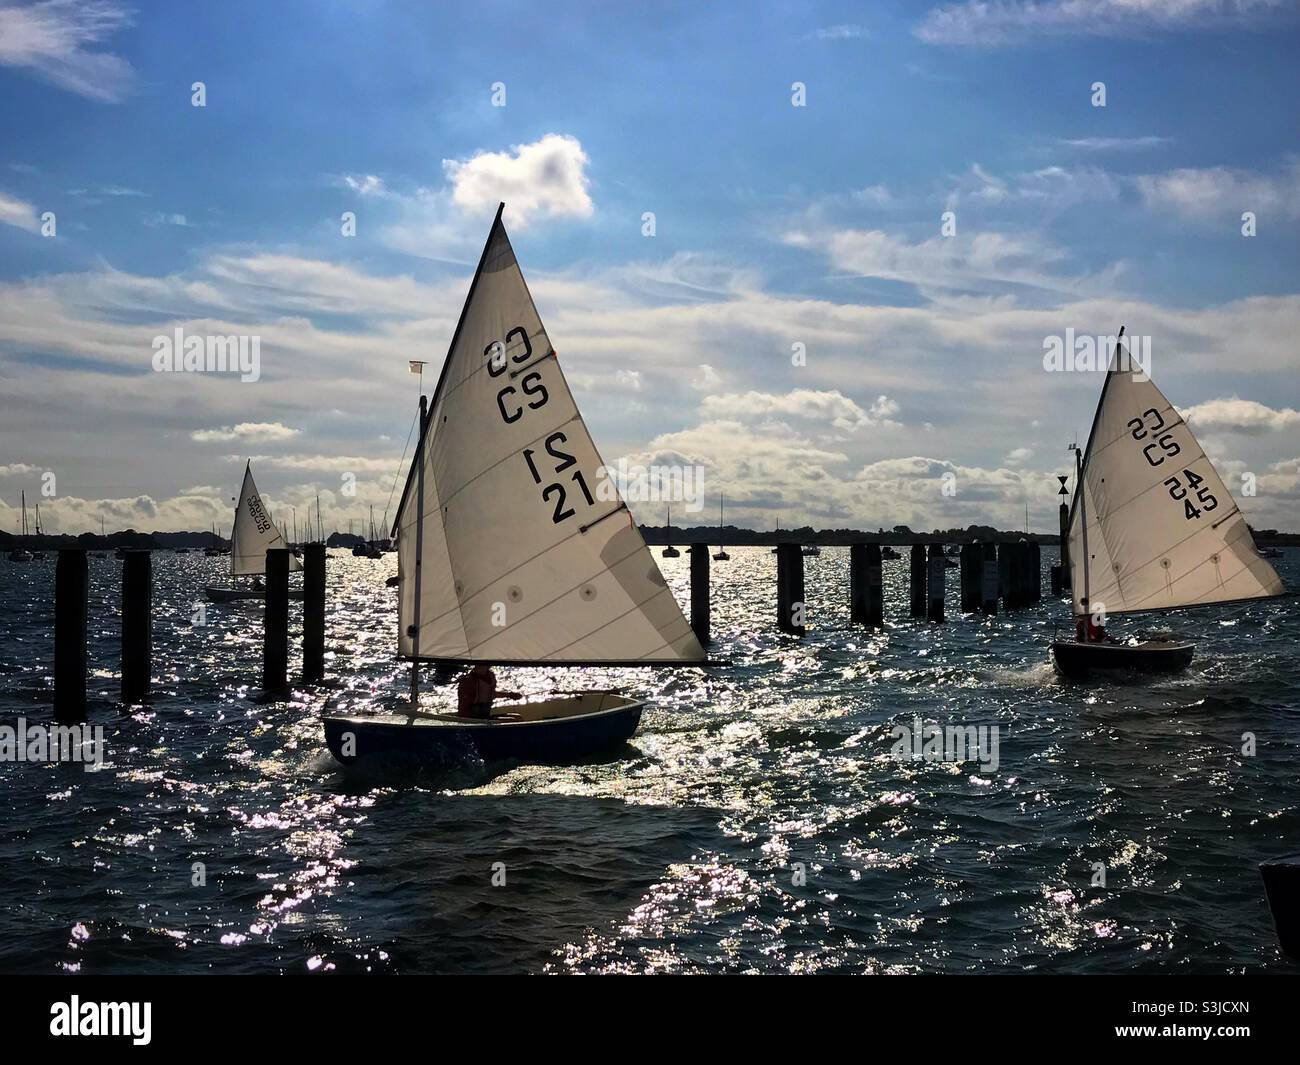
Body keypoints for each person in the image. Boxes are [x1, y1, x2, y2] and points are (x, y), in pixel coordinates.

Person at [456, 664, 521, 719]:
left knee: (517, 717)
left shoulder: (490, 677)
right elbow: (465, 703)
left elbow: (490, 695)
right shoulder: (468, 680)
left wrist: (509, 695)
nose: (480, 668)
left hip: (485, 716)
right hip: (472, 718)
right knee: (515, 719)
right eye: (479, 666)